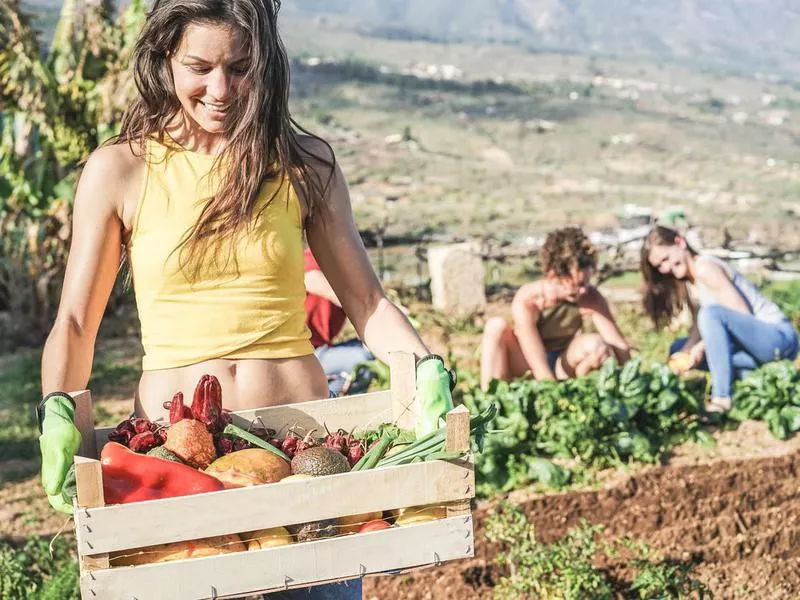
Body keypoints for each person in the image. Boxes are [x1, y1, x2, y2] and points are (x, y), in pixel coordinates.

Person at [35, 2, 454, 598]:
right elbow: (76, 321)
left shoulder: (304, 165)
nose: (220, 89)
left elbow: (366, 299)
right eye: (199, 67)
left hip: (304, 463)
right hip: (175, 468)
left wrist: (423, 367)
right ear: (165, 62)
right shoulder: (121, 168)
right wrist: (57, 408)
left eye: (241, 67)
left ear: (267, 63)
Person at [641, 225, 799, 413]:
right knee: (678, 346)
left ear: (680, 242)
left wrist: (702, 346)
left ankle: (722, 397)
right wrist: (687, 351)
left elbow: (741, 314)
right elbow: (700, 328)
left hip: (777, 339)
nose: (665, 268)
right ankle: (751, 378)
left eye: (666, 259)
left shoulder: (706, 268)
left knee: (711, 314)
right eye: (659, 266)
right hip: (753, 349)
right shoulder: (691, 283)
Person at [479, 227, 632, 391]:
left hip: (562, 363)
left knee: (597, 347)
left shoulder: (589, 297)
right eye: (578, 284)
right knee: (495, 326)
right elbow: (534, 357)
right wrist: (550, 390)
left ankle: (582, 394)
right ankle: (490, 398)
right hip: (527, 364)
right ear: (553, 275)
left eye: (587, 283)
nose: (584, 290)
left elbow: (618, 344)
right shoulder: (529, 300)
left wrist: (632, 381)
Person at [304, 247, 374, 395]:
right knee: (363, 360)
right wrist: (352, 301)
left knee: (373, 351)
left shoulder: (350, 277)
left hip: (324, 349)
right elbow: (311, 279)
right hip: (305, 354)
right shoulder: (316, 256)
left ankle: (335, 399)